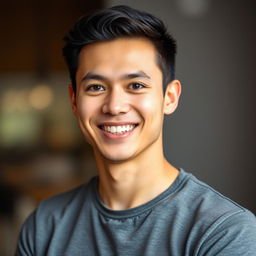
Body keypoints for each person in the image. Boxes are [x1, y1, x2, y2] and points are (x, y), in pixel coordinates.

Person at [16, 5, 256, 256]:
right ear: (74, 101)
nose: (114, 106)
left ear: (169, 97)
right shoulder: (44, 225)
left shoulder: (223, 231)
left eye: (136, 85)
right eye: (96, 87)